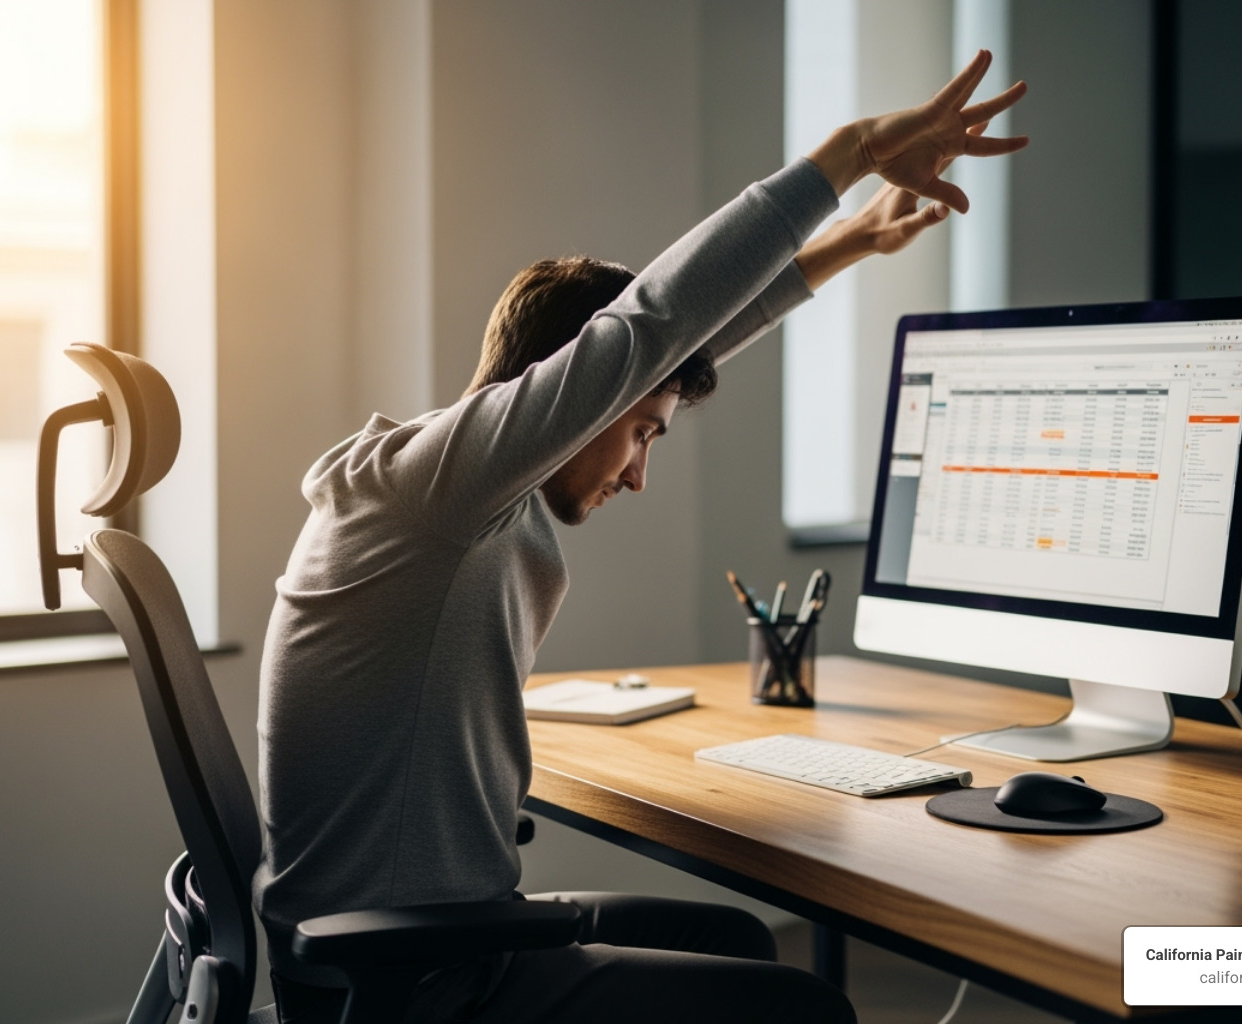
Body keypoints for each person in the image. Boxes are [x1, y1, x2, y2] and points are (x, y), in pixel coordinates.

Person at [255, 50, 1027, 1024]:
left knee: (742, 941)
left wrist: (849, 246)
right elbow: (656, 324)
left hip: (413, 944)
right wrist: (851, 154)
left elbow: (679, 344)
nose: (638, 471)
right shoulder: (439, 495)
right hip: (421, 981)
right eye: (639, 432)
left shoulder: (448, 487)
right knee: (806, 1009)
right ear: (573, 394)